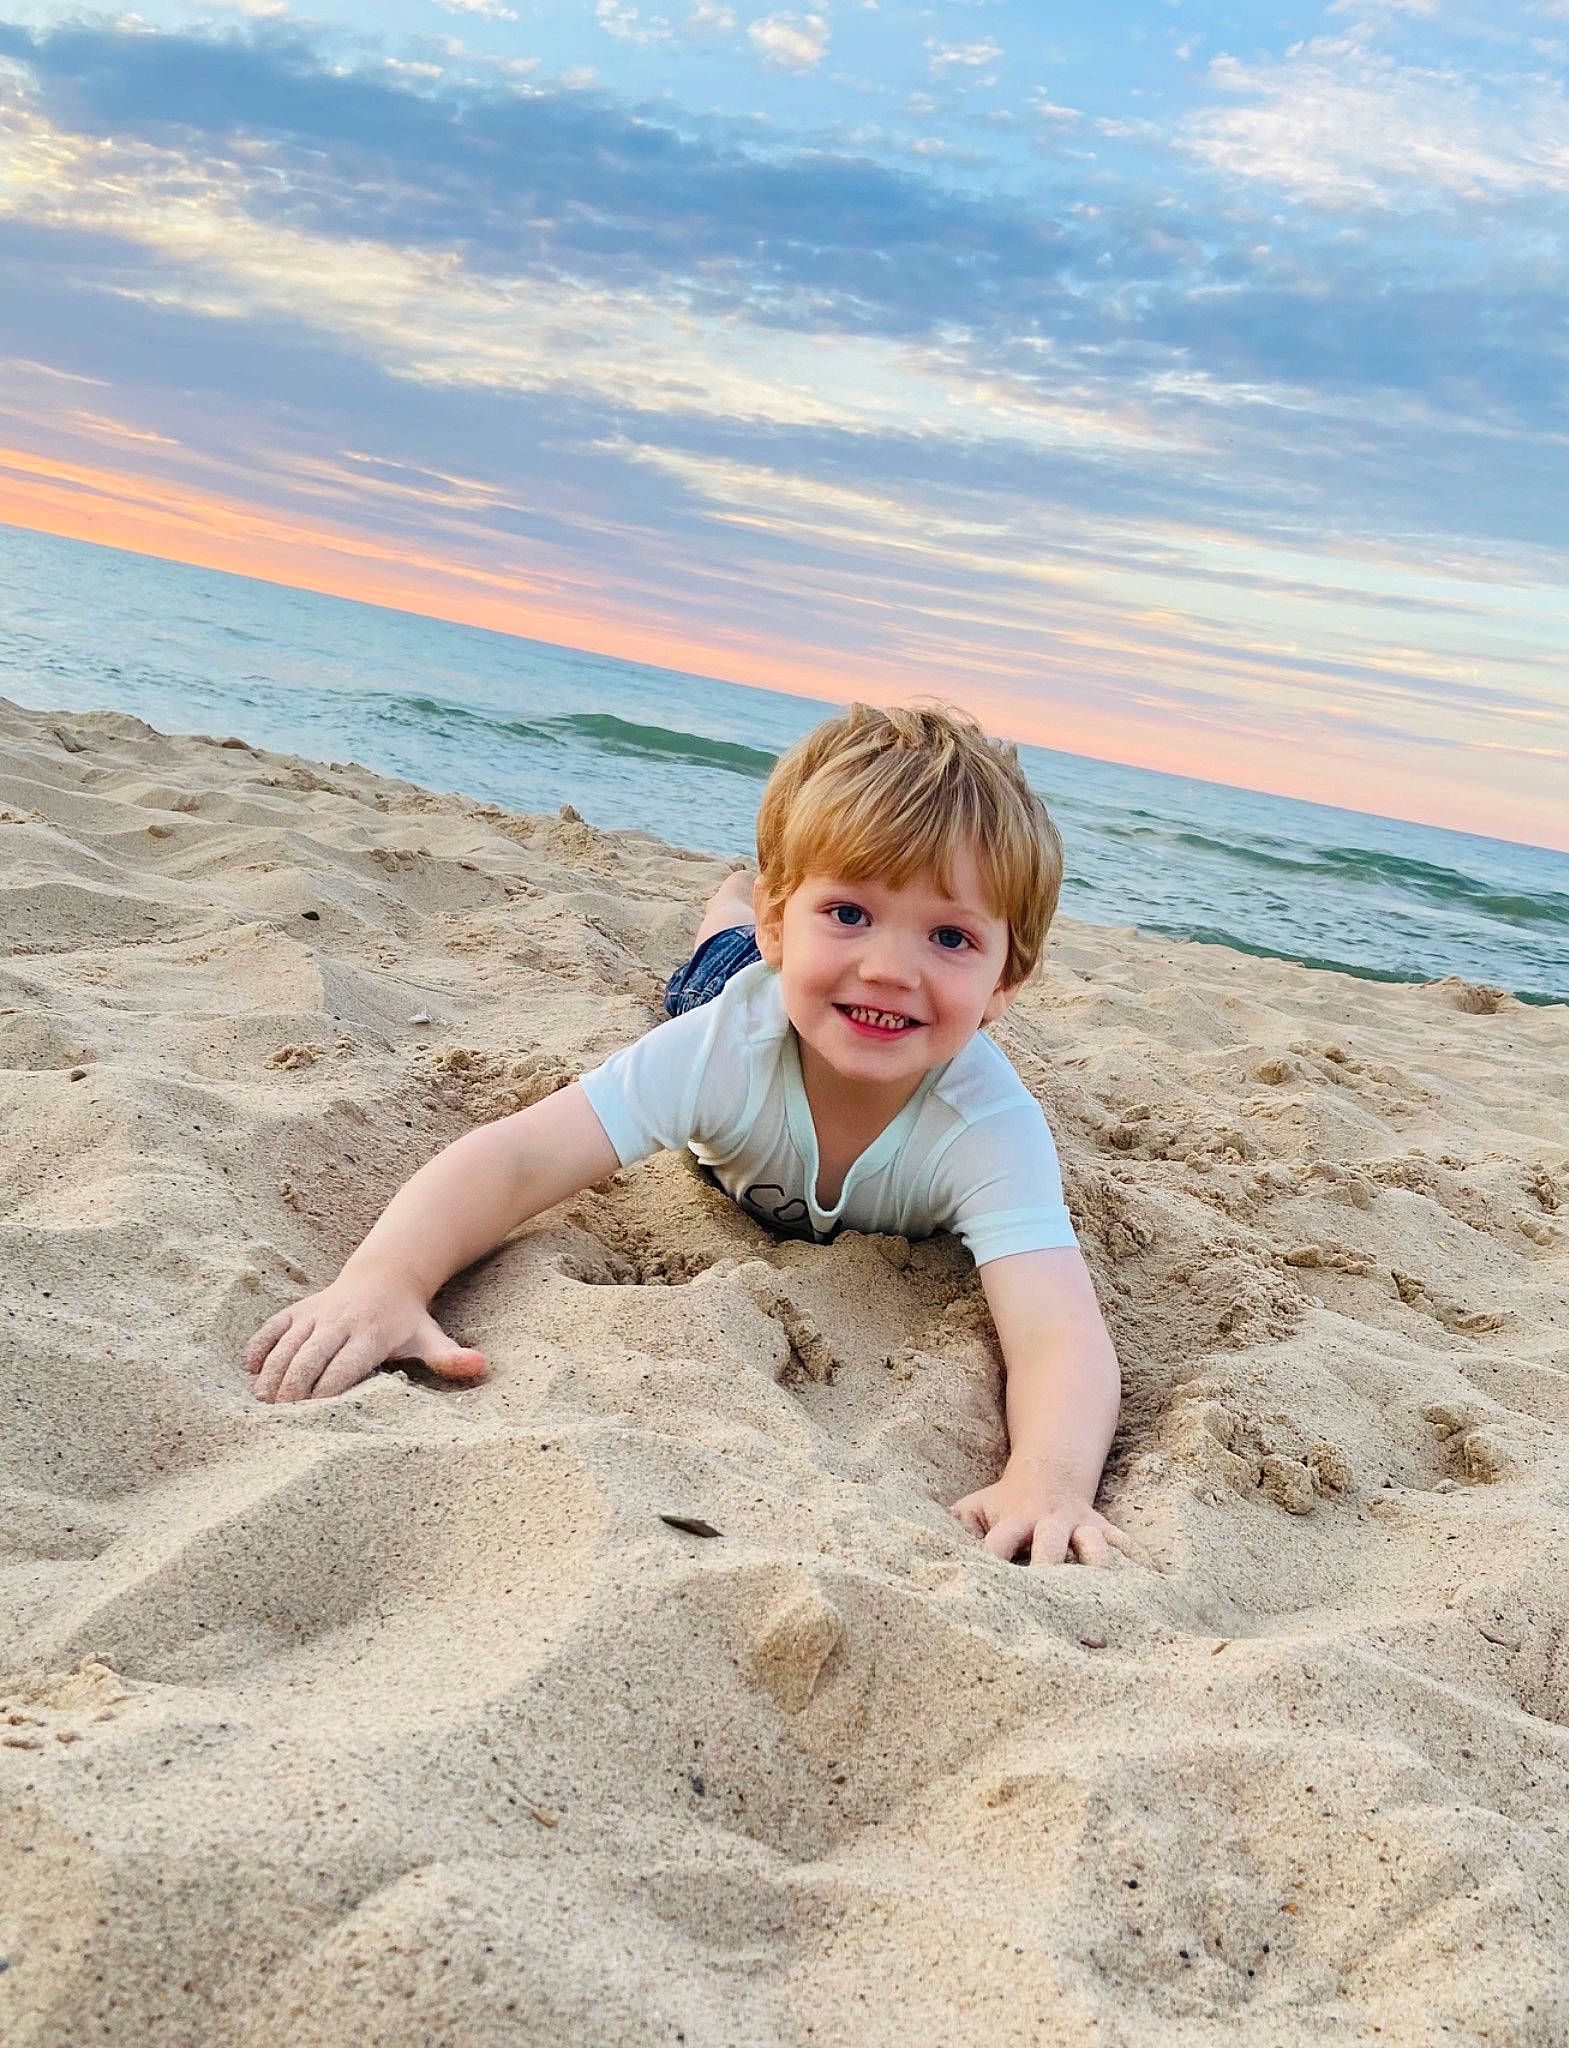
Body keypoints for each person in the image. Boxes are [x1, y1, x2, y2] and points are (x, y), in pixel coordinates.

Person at [244, 703, 1132, 1567]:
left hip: (797, 981)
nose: (889, 969)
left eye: (948, 936)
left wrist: (1047, 1480)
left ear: (1005, 982)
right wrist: (385, 1280)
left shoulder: (989, 1126)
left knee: (758, 968)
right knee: (713, 969)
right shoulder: (717, 1052)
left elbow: (1060, 1331)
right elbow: (515, 1158)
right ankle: (735, 907)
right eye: (849, 914)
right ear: (792, 921)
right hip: (750, 989)